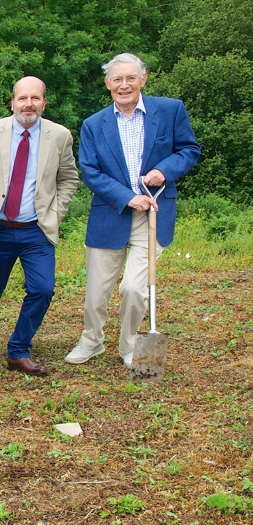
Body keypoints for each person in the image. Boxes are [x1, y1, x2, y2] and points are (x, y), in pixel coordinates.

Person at [65, 53, 200, 367]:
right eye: (117, 79)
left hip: (153, 213)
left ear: (143, 79)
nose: (123, 85)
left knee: (135, 289)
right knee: (97, 292)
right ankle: (92, 342)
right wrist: (128, 197)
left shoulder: (170, 110)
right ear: (107, 83)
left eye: (130, 78)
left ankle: (130, 346)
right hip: (111, 212)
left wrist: (165, 170)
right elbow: (91, 171)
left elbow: (189, 149)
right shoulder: (93, 125)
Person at [0, 76, 80, 376]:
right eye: (22, 98)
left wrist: (55, 213)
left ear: (44, 102)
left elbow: (69, 179)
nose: (28, 104)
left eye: (35, 98)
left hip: (36, 230)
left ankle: (18, 350)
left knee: (43, 288)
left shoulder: (59, 136)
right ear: (12, 102)